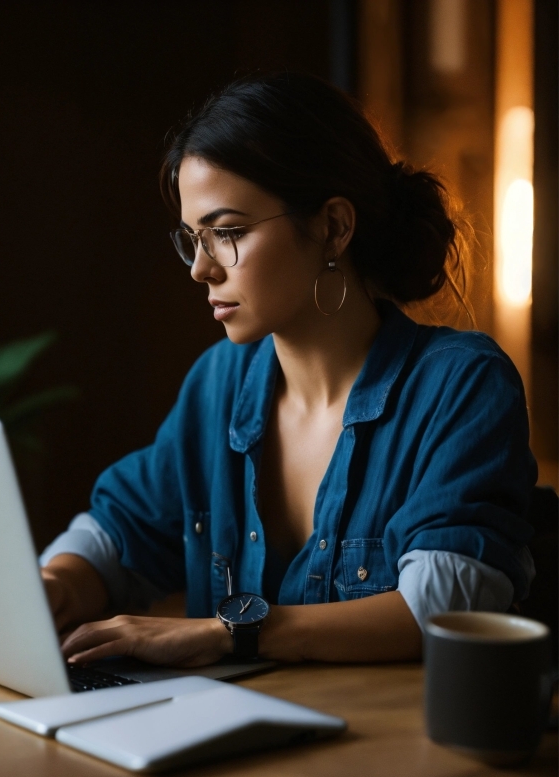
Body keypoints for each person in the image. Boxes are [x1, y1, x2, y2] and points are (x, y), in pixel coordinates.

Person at [40, 72, 536, 668]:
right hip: (232, 746)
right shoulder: (218, 384)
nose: (201, 269)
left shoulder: (460, 385)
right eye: (193, 239)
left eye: (227, 233)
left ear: (332, 227)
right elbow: (118, 532)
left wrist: (227, 633)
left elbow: (443, 607)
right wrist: (58, 586)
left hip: (391, 751)